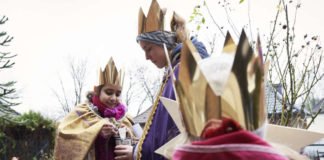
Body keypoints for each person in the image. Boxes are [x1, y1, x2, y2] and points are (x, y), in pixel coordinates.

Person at [114, 0, 209, 160]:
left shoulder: (182, 71)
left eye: (149, 48)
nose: (146, 57)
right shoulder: (184, 66)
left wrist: (136, 152)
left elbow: (169, 133)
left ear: (165, 42)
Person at [54, 58, 135, 160]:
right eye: (109, 92)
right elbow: (65, 138)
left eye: (118, 94)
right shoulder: (82, 112)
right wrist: (96, 132)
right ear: (96, 91)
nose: (114, 98)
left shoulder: (126, 118)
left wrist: (126, 136)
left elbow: (141, 146)